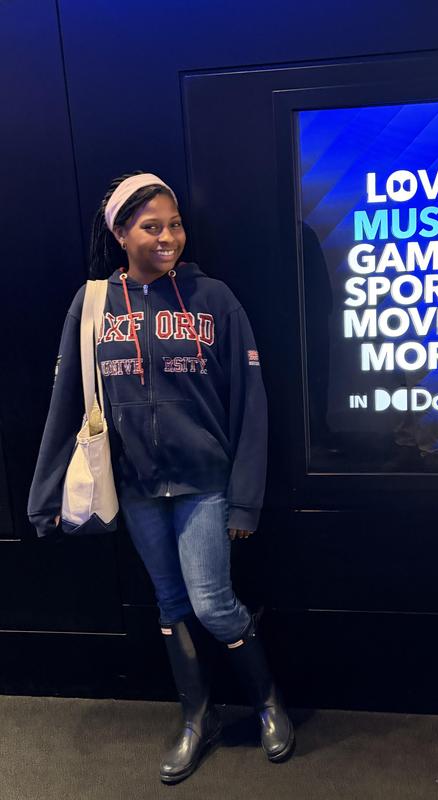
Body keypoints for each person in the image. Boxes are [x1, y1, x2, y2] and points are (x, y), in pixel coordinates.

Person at [27, 171, 295, 784]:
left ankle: (266, 702)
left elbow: (252, 403)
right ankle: (196, 718)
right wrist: (44, 496)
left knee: (212, 603)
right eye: (151, 227)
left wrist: (245, 502)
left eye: (174, 224)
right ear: (122, 233)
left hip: (205, 481)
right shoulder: (93, 304)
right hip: (137, 486)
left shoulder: (215, 299)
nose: (168, 237)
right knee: (171, 605)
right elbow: (65, 401)